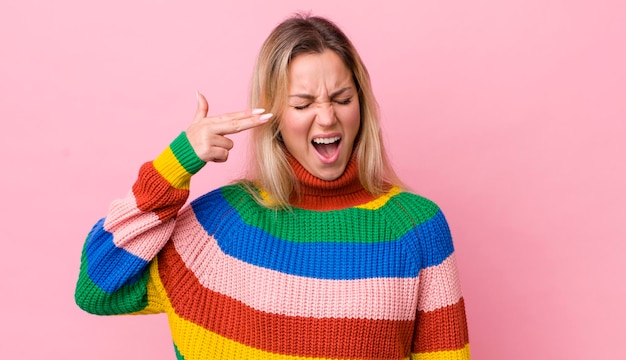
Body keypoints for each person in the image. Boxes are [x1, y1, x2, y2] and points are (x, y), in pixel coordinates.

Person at [75, 13, 470, 360]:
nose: (328, 117)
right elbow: (96, 287)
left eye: (342, 98)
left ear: (362, 106)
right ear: (274, 116)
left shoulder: (416, 229)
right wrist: (175, 165)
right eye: (302, 104)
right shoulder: (220, 227)